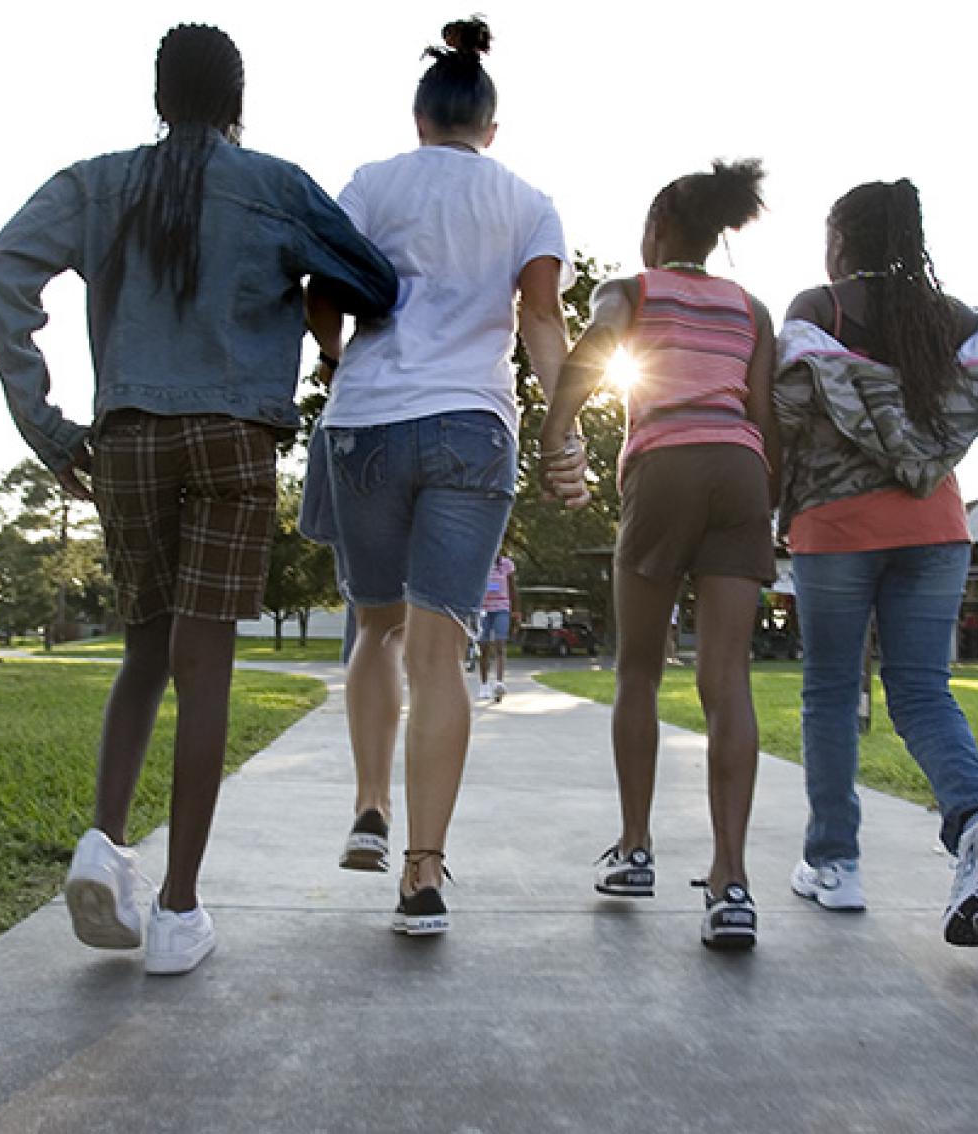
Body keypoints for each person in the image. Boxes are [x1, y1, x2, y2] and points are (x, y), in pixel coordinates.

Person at [0, 24, 396, 975]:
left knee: (144, 654)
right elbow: (376, 280)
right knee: (206, 668)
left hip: (123, 438)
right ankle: (178, 910)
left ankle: (103, 842)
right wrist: (296, 288)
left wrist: (43, 424)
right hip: (231, 437)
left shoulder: (96, 182)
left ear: (160, 97)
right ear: (236, 102)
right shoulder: (274, 185)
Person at [307, 17, 571, 936]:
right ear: (488, 130)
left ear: (419, 119)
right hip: (473, 427)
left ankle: (371, 806)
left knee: (376, 629)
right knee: (440, 650)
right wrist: (566, 433)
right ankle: (422, 872)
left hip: (369, 424)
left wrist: (335, 355)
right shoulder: (528, 200)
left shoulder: (373, 183)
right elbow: (542, 323)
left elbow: (323, 282)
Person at [774, 178, 978, 946]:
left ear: (843, 241)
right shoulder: (950, 317)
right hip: (936, 525)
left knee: (829, 693)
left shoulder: (819, 307)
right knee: (923, 692)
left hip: (837, 525)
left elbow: (788, 409)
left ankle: (835, 865)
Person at [539, 159, 777, 950]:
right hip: (741, 471)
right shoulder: (751, 308)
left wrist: (554, 432)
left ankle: (636, 848)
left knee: (638, 667)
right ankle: (730, 883)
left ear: (660, 230)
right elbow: (764, 415)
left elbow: (593, 350)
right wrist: (764, 502)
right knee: (725, 679)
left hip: (664, 464)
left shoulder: (633, 290)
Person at [477, 549, 518, 701]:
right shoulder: (481, 563)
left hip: (502, 608)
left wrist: (516, 611)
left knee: (500, 643)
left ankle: (499, 683)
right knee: (484, 646)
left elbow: (513, 588)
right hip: (484, 609)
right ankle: (484, 684)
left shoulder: (507, 565)